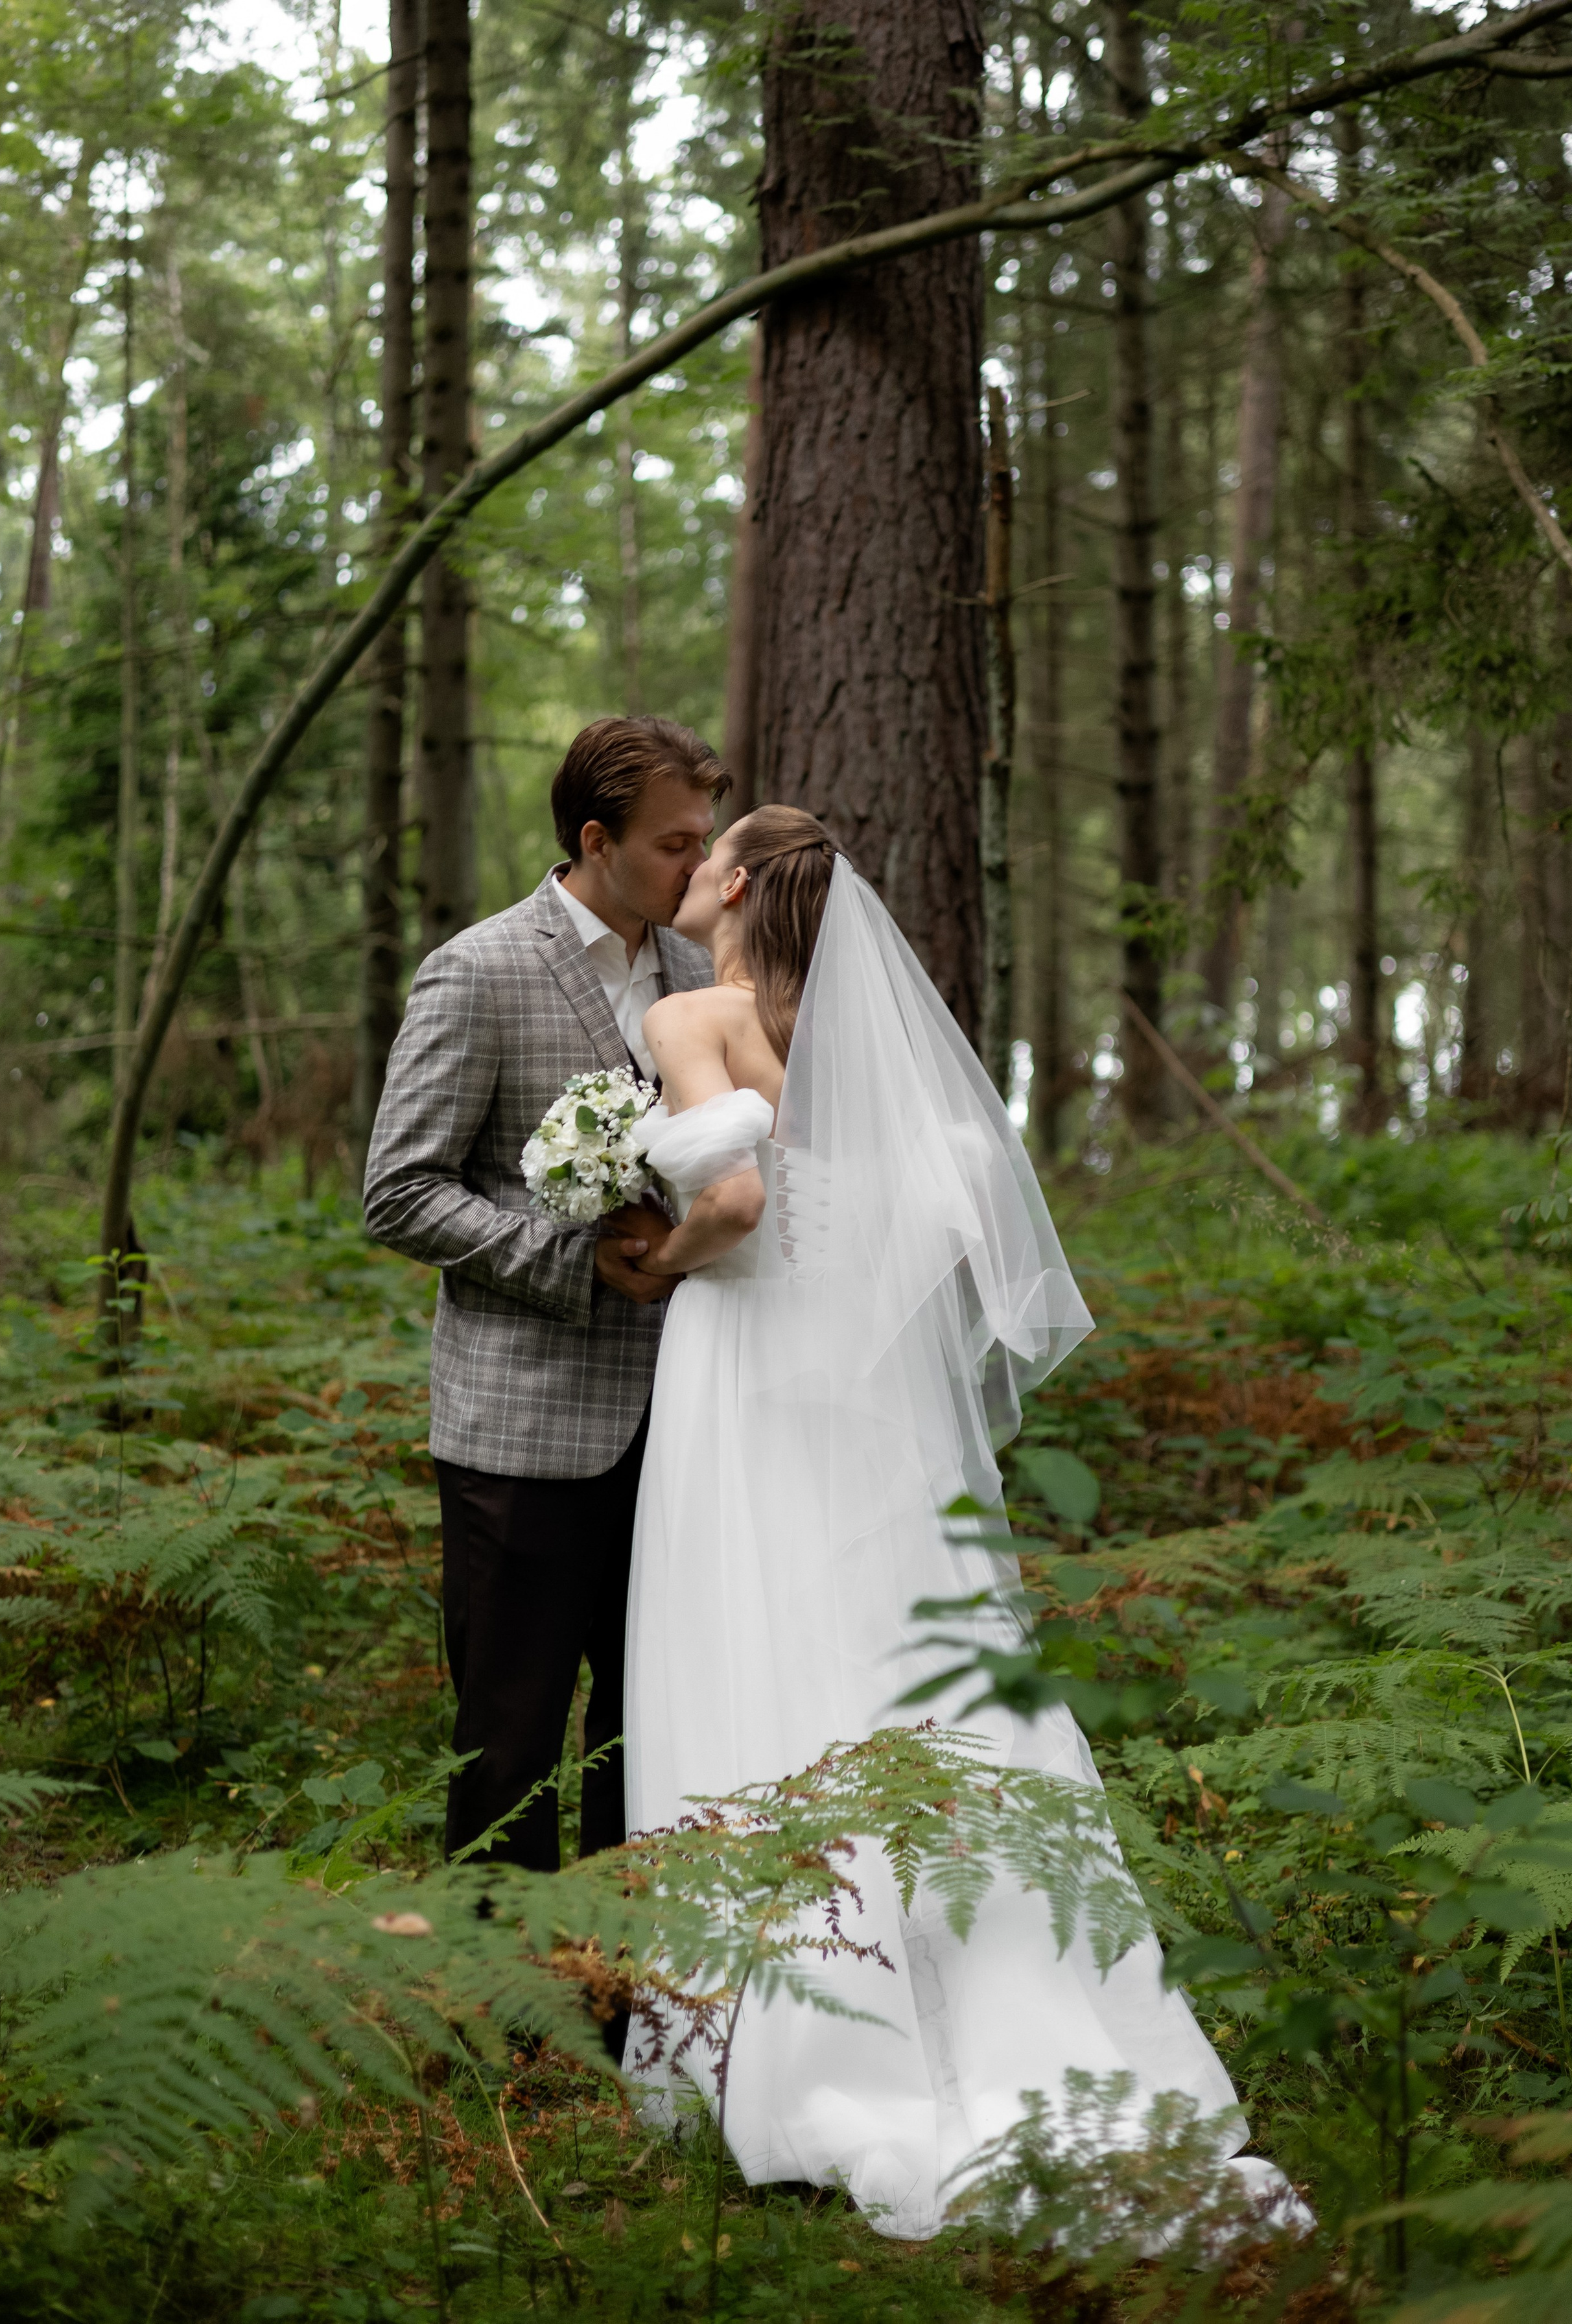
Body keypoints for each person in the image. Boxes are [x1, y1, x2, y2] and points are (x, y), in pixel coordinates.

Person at [616, 803, 1302, 2241]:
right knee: (891, 1681)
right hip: (866, 1425)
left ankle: (792, 2044)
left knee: (753, 1663)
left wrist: (654, 1261)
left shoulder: (696, 1014)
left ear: (732, 886)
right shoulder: (861, 1063)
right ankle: (1002, 2014)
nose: (684, 875)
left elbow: (733, 1200)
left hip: (743, 1389)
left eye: (704, 855)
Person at [362, 716, 721, 1909]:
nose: (698, 866)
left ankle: (624, 1986)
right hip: (520, 1433)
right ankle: (504, 1997)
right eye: (676, 844)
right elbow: (401, 1192)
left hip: (679, 1421)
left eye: (704, 840)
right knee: (510, 1735)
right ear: (594, 839)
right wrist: (572, 1263)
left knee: (646, 1724)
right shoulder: (478, 969)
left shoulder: (697, 978)